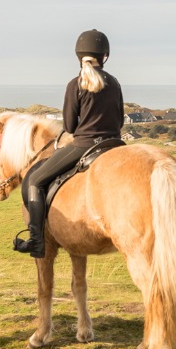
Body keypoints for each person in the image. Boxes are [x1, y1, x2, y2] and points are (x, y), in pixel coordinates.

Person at [13, 30, 125, 258]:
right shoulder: (114, 83)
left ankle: (36, 241)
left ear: (78, 56)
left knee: (34, 180)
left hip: (84, 145)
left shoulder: (75, 84)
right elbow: (120, 119)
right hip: (115, 144)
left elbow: (70, 126)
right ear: (105, 56)